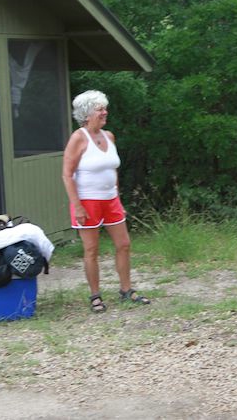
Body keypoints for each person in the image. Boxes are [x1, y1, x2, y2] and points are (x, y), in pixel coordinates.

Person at [62, 90, 150, 312]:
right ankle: (95, 296)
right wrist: (77, 206)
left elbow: (113, 171)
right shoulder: (78, 138)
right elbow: (67, 174)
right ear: (87, 114)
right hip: (87, 201)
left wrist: (117, 197)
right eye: (100, 109)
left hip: (111, 200)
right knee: (91, 249)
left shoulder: (109, 136)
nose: (104, 112)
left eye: (104, 108)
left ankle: (126, 290)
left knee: (124, 244)